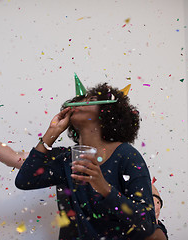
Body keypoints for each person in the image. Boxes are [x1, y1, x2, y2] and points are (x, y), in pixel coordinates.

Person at [14, 83, 157, 239]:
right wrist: (52, 132)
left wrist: (104, 188)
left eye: (92, 99)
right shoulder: (68, 159)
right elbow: (24, 181)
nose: (82, 102)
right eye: (82, 99)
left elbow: (147, 224)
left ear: (108, 112)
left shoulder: (126, 155)